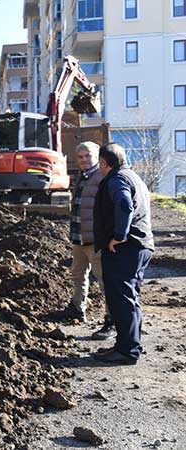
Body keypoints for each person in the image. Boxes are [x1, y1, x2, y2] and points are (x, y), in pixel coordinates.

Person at [92, 143, 154, 365]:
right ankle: (128, 345)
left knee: (122, 299)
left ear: (104, 163)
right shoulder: (133, 176)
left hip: (125, 249)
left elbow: (125, 205)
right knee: (131, 298)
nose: (98, 167)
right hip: (141, 246)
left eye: (99, 163)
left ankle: (127, 351)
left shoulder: (117, 179)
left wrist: (119, 235)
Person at [60, 142, 115, 339]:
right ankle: (77, 308)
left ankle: (111, 321)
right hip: (79, 238)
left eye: (88, 156)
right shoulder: (82, 177)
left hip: (96, 241)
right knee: (77, 274)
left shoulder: (102, 177)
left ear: (97, 157)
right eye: (80, 156)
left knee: (104, 281)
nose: (84, 159)